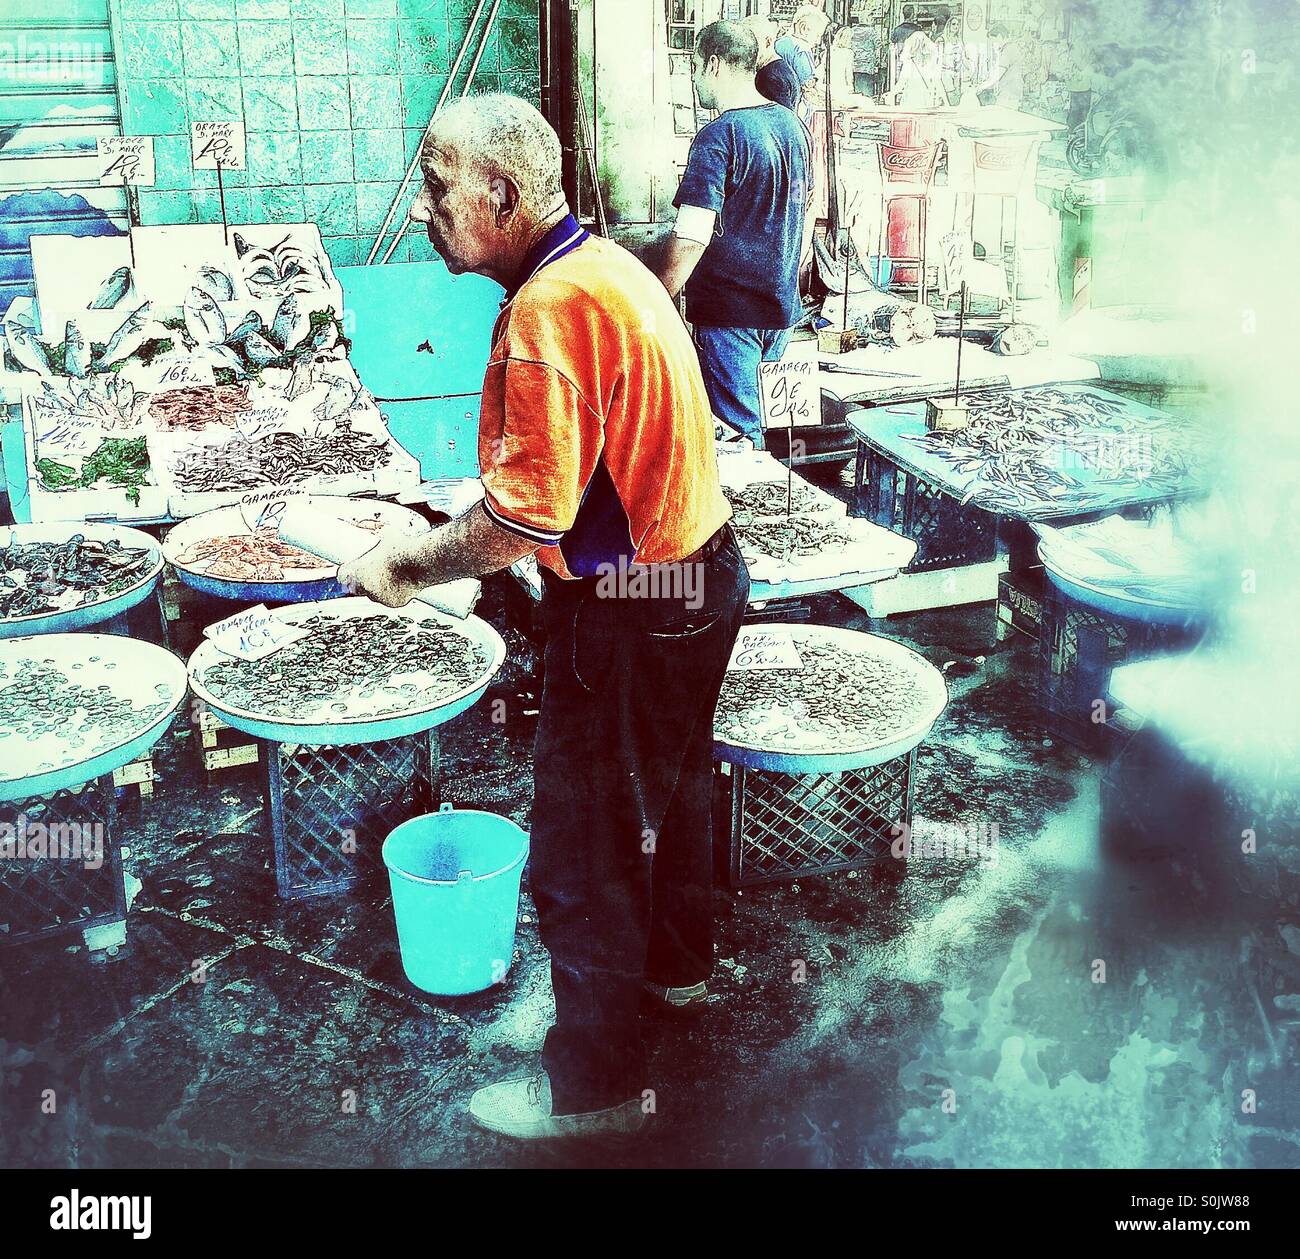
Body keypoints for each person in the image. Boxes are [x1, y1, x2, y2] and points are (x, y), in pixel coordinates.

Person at [339, 93, 750, 1141]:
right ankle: (677, 975)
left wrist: (409, 562)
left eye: (437, 185)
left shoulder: (543, 312)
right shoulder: (605, 264)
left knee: (585, 846)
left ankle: (594, 1089)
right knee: (672, 788)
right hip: (700, 579)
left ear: (501, 194)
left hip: (633, 605)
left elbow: (526, 515)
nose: (423, 206)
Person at [655, 21, 810, 450]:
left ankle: (757, 515)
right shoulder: (792, 127)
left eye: (695, 68)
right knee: (776, 431)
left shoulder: (717, 137)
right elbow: (806, 210)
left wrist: (653, 296)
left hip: (730, 315)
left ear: (714, 64)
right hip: (781, 310)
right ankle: (786, 508)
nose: (695, 79)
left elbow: (691, 235)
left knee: (738, 440)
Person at [775, 4, 830, 120]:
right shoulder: (801, 49)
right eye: (817, 35)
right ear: (803, 28)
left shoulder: (780, 43)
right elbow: (808, 87)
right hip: (794, 112)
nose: (818, 41)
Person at [741, 13, 801, 111]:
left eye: (752, 44)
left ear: (768, 42)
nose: (746, 51)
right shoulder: (780, 68)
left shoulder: (768, 77)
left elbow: (778, 120)